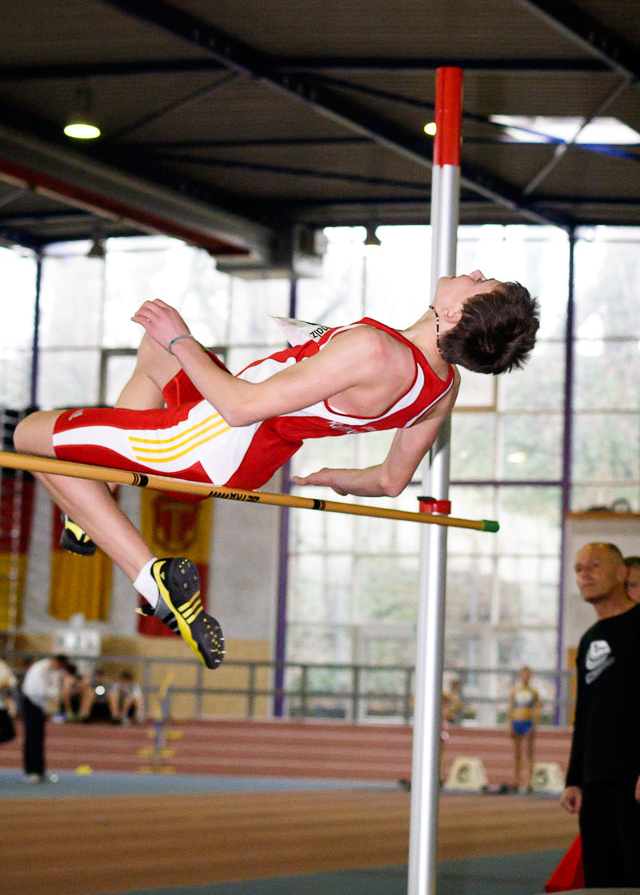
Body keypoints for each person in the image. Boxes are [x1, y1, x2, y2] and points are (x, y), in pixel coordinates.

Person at [14, 271, 539, 670]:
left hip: (206, 439)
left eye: (478, 281)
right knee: (154, 353)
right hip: (250, 450)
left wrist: (181, 339)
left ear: (452, 317)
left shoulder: (375, 352)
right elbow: (388, 481)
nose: (470, 272)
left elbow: (240, 406)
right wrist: (332, 475)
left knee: (31, 439)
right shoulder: (442, 386)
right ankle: (89, 507)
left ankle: (153, 582)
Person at [560, 542, 640, 887]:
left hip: (634, 783)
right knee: (602, 886)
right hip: (596, 786)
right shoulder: (590, 639)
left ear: (622, 573)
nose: (584, 576)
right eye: (579, 569)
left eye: (594, 566)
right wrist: (575, 778)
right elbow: (585, 715)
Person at [21, 653, 72, 783]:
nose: (59, 668)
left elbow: (55, 692)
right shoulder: (40, 669)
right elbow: (39, 691)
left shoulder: (55, 672)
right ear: (54, 660)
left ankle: (40, 770)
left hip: (41, 706)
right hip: (31, 703)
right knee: (32, 737)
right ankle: (31, 771)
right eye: (59, 665)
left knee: (39, 737)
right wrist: (52, 698)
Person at [508, 666, 541, 792]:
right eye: (523, 674)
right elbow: (510, 708)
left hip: (528, 721)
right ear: (520, 676)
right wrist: (510, 725)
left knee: (529, 753)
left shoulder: (534, 691)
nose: (525, 677)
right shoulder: (515, 691)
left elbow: (537, 708)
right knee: (517, 753)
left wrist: (534, 724)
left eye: (528, 675)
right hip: (517, 720)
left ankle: (529, 781)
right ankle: (516, 780)